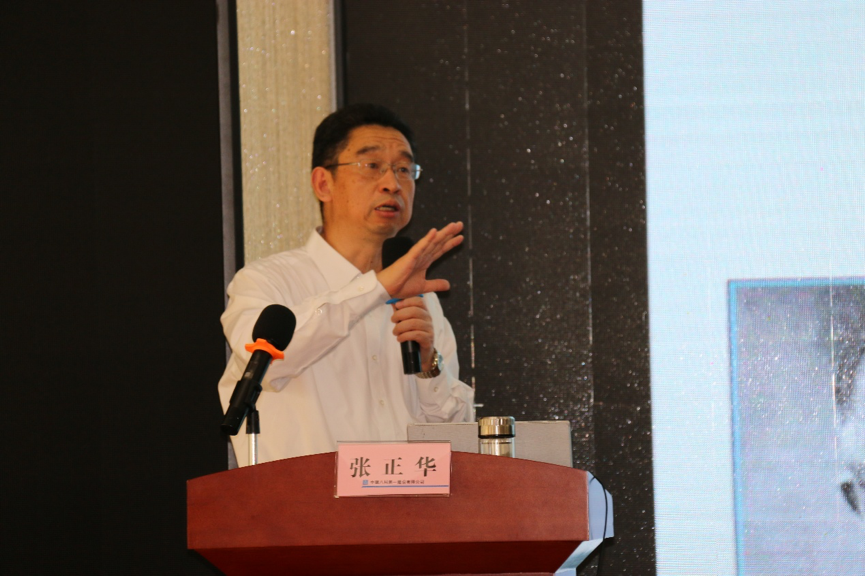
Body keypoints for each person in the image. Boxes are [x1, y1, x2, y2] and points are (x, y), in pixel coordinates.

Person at [218, 104, 475, 465]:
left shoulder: (422, 301)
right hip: (305, 500)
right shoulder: (266, 282)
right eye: (371, 166)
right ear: (323, 183)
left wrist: (429, 365)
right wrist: (377, 288)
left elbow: (457, 437)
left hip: (409, 501)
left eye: (404, 169)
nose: (392, 183)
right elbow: (269, 366)